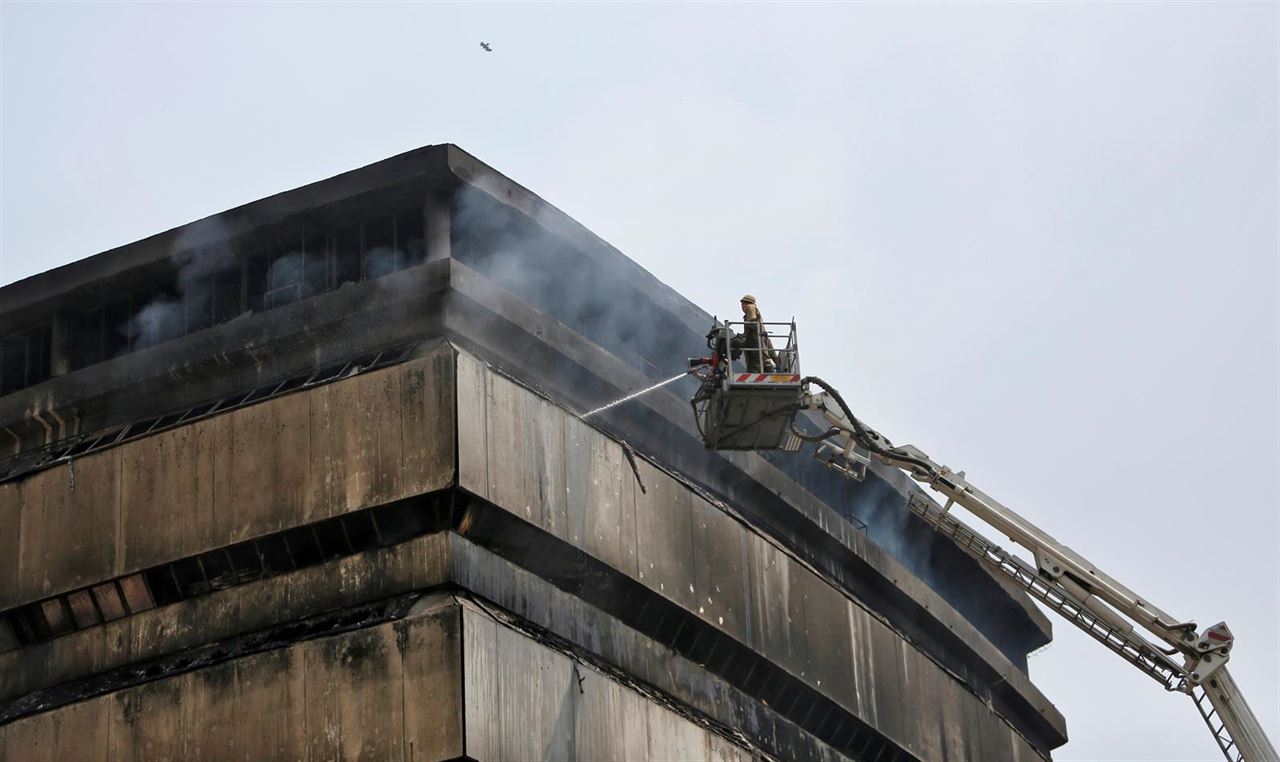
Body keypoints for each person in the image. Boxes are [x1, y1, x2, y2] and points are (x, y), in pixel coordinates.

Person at [734, 294, 777, 373]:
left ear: (746, 303)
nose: (742, 307)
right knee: (764, 354)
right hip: (756, 337)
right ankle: (776, 366)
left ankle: (767, 368)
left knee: (762, 355)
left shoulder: (751, 307)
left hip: (757, 337)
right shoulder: (748, 313)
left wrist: (743, 337)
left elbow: (752, 322)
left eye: (742, 304)